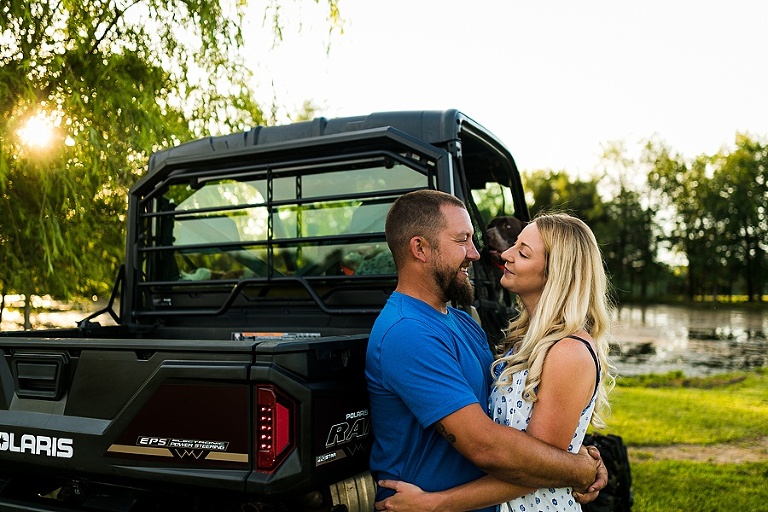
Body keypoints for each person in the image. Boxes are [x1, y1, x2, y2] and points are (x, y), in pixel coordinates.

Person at [365, 190, 607, 512]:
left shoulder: (464, 323)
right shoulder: (407, 331)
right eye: (462, 240)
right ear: (420, 249)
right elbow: (485, 445)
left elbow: (516, 425)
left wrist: (573, 449)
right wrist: (578, 467)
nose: (476, 254)